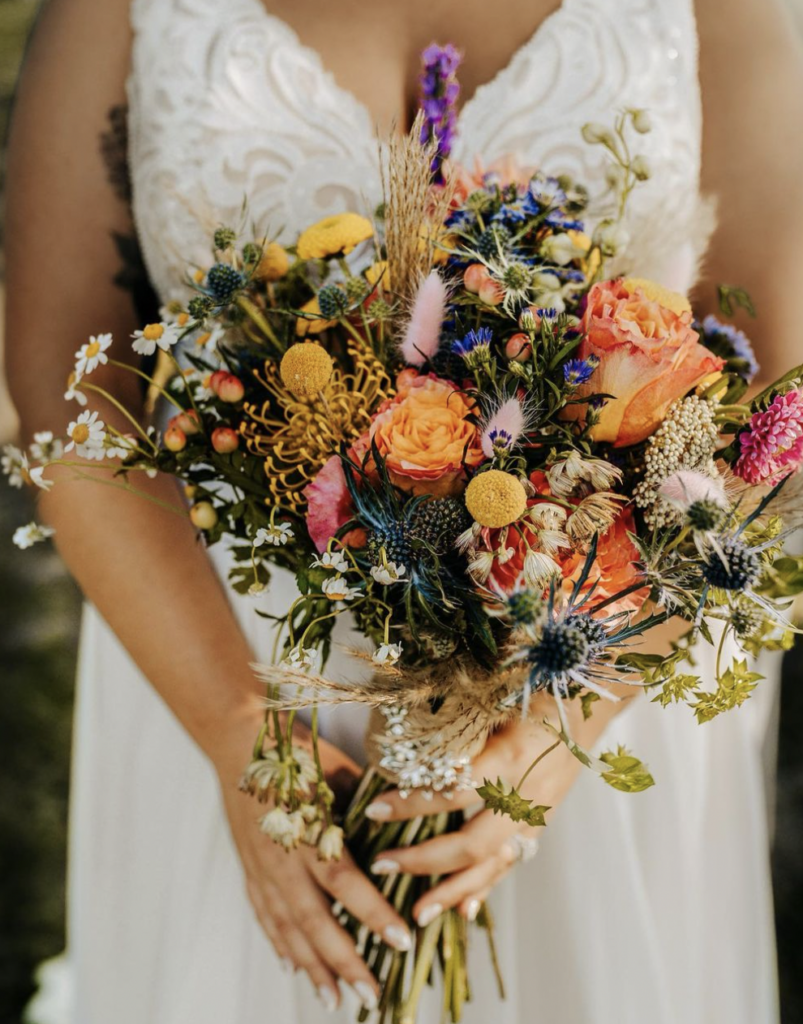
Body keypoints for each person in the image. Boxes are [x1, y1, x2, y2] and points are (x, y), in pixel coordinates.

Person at [6, 0, 803, 1021]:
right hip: (227, 659)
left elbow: (769, 414)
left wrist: (563, 720)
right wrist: (244, 737)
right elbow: (70, 404)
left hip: (592, 677)